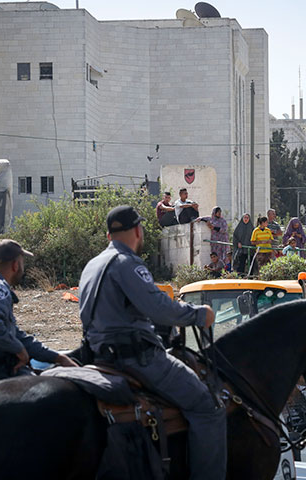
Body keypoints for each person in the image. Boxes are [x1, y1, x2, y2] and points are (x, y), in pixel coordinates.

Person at [78, 205, 225, 480]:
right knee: (209, 408)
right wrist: (197, 314)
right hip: (137, 359)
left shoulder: (92, 265)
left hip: (99, 357)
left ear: (109, 234)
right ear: (137, 230)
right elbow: (158, 308)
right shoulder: (127, 263)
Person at [0, 239, 76, 382]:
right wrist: (18, 349)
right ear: (15, 265)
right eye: (22, 262)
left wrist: (57, 357)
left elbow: (15, 334)